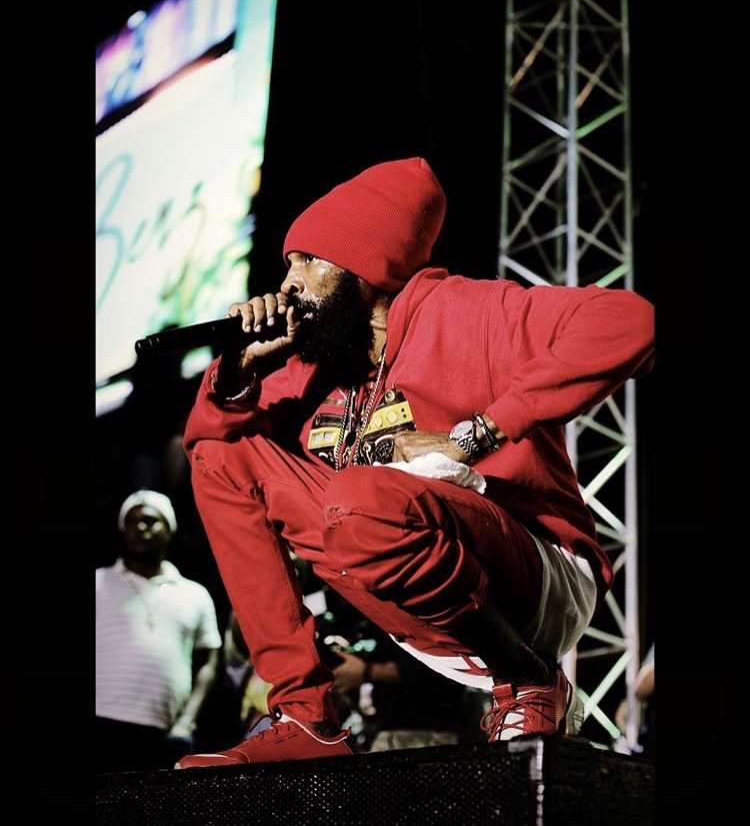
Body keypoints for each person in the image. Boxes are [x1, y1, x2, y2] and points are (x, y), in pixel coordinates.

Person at [172, 157, 654, 768]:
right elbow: (208, 441)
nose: (288, 283)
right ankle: (305, 716)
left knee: (363, 501)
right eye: (287, 263)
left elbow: (632, 321)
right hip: (411, 591)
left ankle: (530, 680)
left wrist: (476, 435)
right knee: (226, 456)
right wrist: (240, 369)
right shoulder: (313, 368)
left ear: (365, 264)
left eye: (309, 261)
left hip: (532, 580)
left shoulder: (470, 312)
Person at [96, 489, 223, 772]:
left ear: (169, 531)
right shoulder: (98, 582)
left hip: (163, 734)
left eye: (152, 520)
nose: (141, 527)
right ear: (122, 530)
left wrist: (187, 721)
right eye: (133, 521)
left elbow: (209, 664)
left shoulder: (195, 594)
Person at [330, 622, 474, 751]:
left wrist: (367, 671)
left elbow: (432, 667)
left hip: (423, 729)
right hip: (401, 729)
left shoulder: (415, 620)